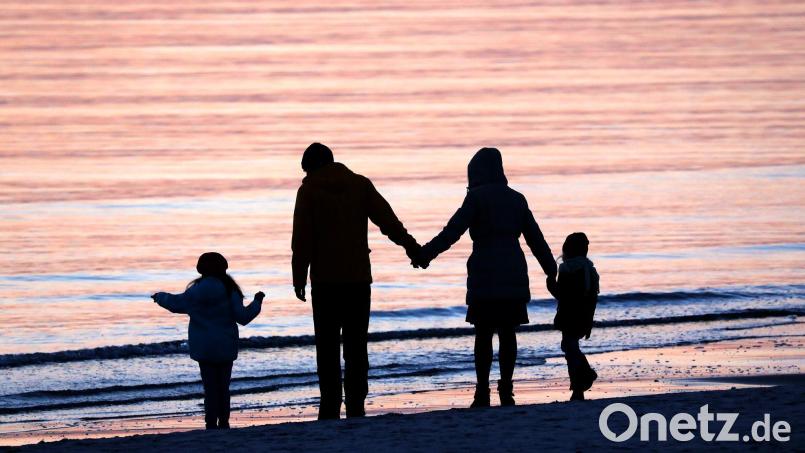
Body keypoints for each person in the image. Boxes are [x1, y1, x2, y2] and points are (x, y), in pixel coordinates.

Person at [414, 147, 557, 407]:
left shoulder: (476, 198)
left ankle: (482, 390)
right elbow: (536, 239)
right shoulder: (517, 199)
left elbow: (452, 232)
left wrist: (425, 255)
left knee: (483, 333)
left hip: (484, 272)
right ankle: (506, 388)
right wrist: (551, 270)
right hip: (513, 270)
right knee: (507, 332)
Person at [291, 142, 421, 419]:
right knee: (356, 344)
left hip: (325, 280)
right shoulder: (360, 185)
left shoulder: (310, 190)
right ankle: (356, 401)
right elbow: (388, 221)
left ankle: (330, 401)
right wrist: (410, 245)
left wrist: (298, 275)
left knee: (326, 347)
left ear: (311, 167)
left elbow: (302, 237)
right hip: (358, 278)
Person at [152, 252, 264, 429]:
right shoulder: (230, 290)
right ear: (223, 268)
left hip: (203, 347)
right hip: (226, 345)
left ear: (200, 269)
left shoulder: (196, 291)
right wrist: (257, 302)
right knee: (223, 387)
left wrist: (159, 297)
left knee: (210, 387)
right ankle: (224, 421)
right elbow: (243, 317)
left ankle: (210, 421)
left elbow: (175, 303)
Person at [547, 232, 599, 401]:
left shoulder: (567, 269)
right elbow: (592, 298)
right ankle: (579, 386)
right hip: (583, 316)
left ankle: (582, 381)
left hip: (569, 315)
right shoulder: (590, 270)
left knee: (570, 349)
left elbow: (563, 295)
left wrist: (550, 286)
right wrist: (589, 322)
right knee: (570, 348)